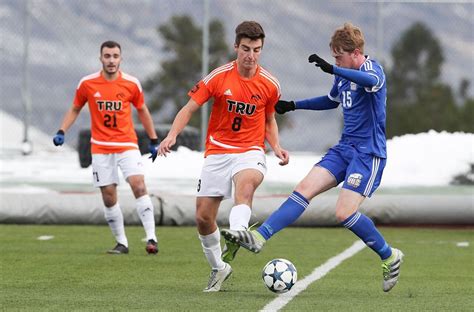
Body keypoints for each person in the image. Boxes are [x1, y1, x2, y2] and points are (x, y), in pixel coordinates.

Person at [222, 23, 404, 292]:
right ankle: (259, 237)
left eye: (339, 57)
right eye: (333, 59)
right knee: (303, 190)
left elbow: (372, 83)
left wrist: (334, 70)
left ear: (355, 53)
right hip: (344, 149)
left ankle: (390, 256)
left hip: (368, 154)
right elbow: (332, 100)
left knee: (344, 212)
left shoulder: (370, 70)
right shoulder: (343, 74)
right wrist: (294, 105)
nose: (335, 62)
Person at [158, 21, 289, 292]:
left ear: (261, 49)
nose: (250, 56)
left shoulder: (270, 84)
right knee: (203, 218)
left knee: (246, 184)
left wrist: (275, 147)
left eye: (256, 49)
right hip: (217, 151)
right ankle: (219, 268)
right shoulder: (218, 77)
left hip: (250, 151)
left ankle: (240, 231)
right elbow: (189, 108)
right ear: (235, 47)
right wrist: (171, 135)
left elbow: (269, 120)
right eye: (245, 49)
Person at [53, 41, 160, 255]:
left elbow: (142, 110)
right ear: (100, 58)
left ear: (121, 58)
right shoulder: (87, 84)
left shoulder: (131, 84)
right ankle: (122, 243)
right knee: (109, 196)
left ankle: (151, 238)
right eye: (107, 56)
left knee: (138, 185)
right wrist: (62, 131)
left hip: (127, 144)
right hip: (101, 148)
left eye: (115, 56)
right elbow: (75, 108)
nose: (111, 60)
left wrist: (153, 139)